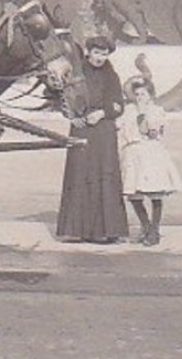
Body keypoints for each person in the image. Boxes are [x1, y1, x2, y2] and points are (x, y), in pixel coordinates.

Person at [55, 35, 130, 244]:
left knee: (104, 175)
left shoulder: (111, 75)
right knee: (79, 174)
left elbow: (118, 104)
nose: (100, 58)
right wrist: (72, 115)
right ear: (89, 52)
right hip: (81, 130)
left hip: (103, 132)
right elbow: (62, 96)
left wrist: (103, 113)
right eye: (97, 53)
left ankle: (105, 230)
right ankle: (77, 229)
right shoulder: (76, 72)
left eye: (104, 54)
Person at [119, 75, 182, 246]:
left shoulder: (156, 111)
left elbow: (155, 132)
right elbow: (123, 129)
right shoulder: (129, 111)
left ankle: (154, 229)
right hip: (133, 153)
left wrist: (148, 123)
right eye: (138, 94)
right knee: (134, 194)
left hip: (151, 153)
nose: (141, 98)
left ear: (151, 95)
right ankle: (146, 226)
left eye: (144, 94)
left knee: (155, 193)